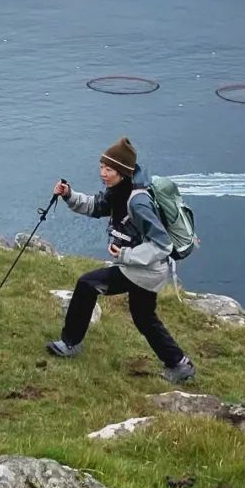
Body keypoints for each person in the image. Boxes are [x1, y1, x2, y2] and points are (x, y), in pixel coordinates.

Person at [47, 136, 195, 383]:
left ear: (123, 172)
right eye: (102, 167)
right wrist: (69, 195)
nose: (103, 173)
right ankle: (180, 364)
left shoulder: (138, 202)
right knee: (144, 317)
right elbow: (96, 206)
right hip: (141, 268)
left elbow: (163, 244)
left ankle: (70, 344)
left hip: (143, 269)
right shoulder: (119, 191)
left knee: (87, 284)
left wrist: (126, 254)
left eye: (109, 169)